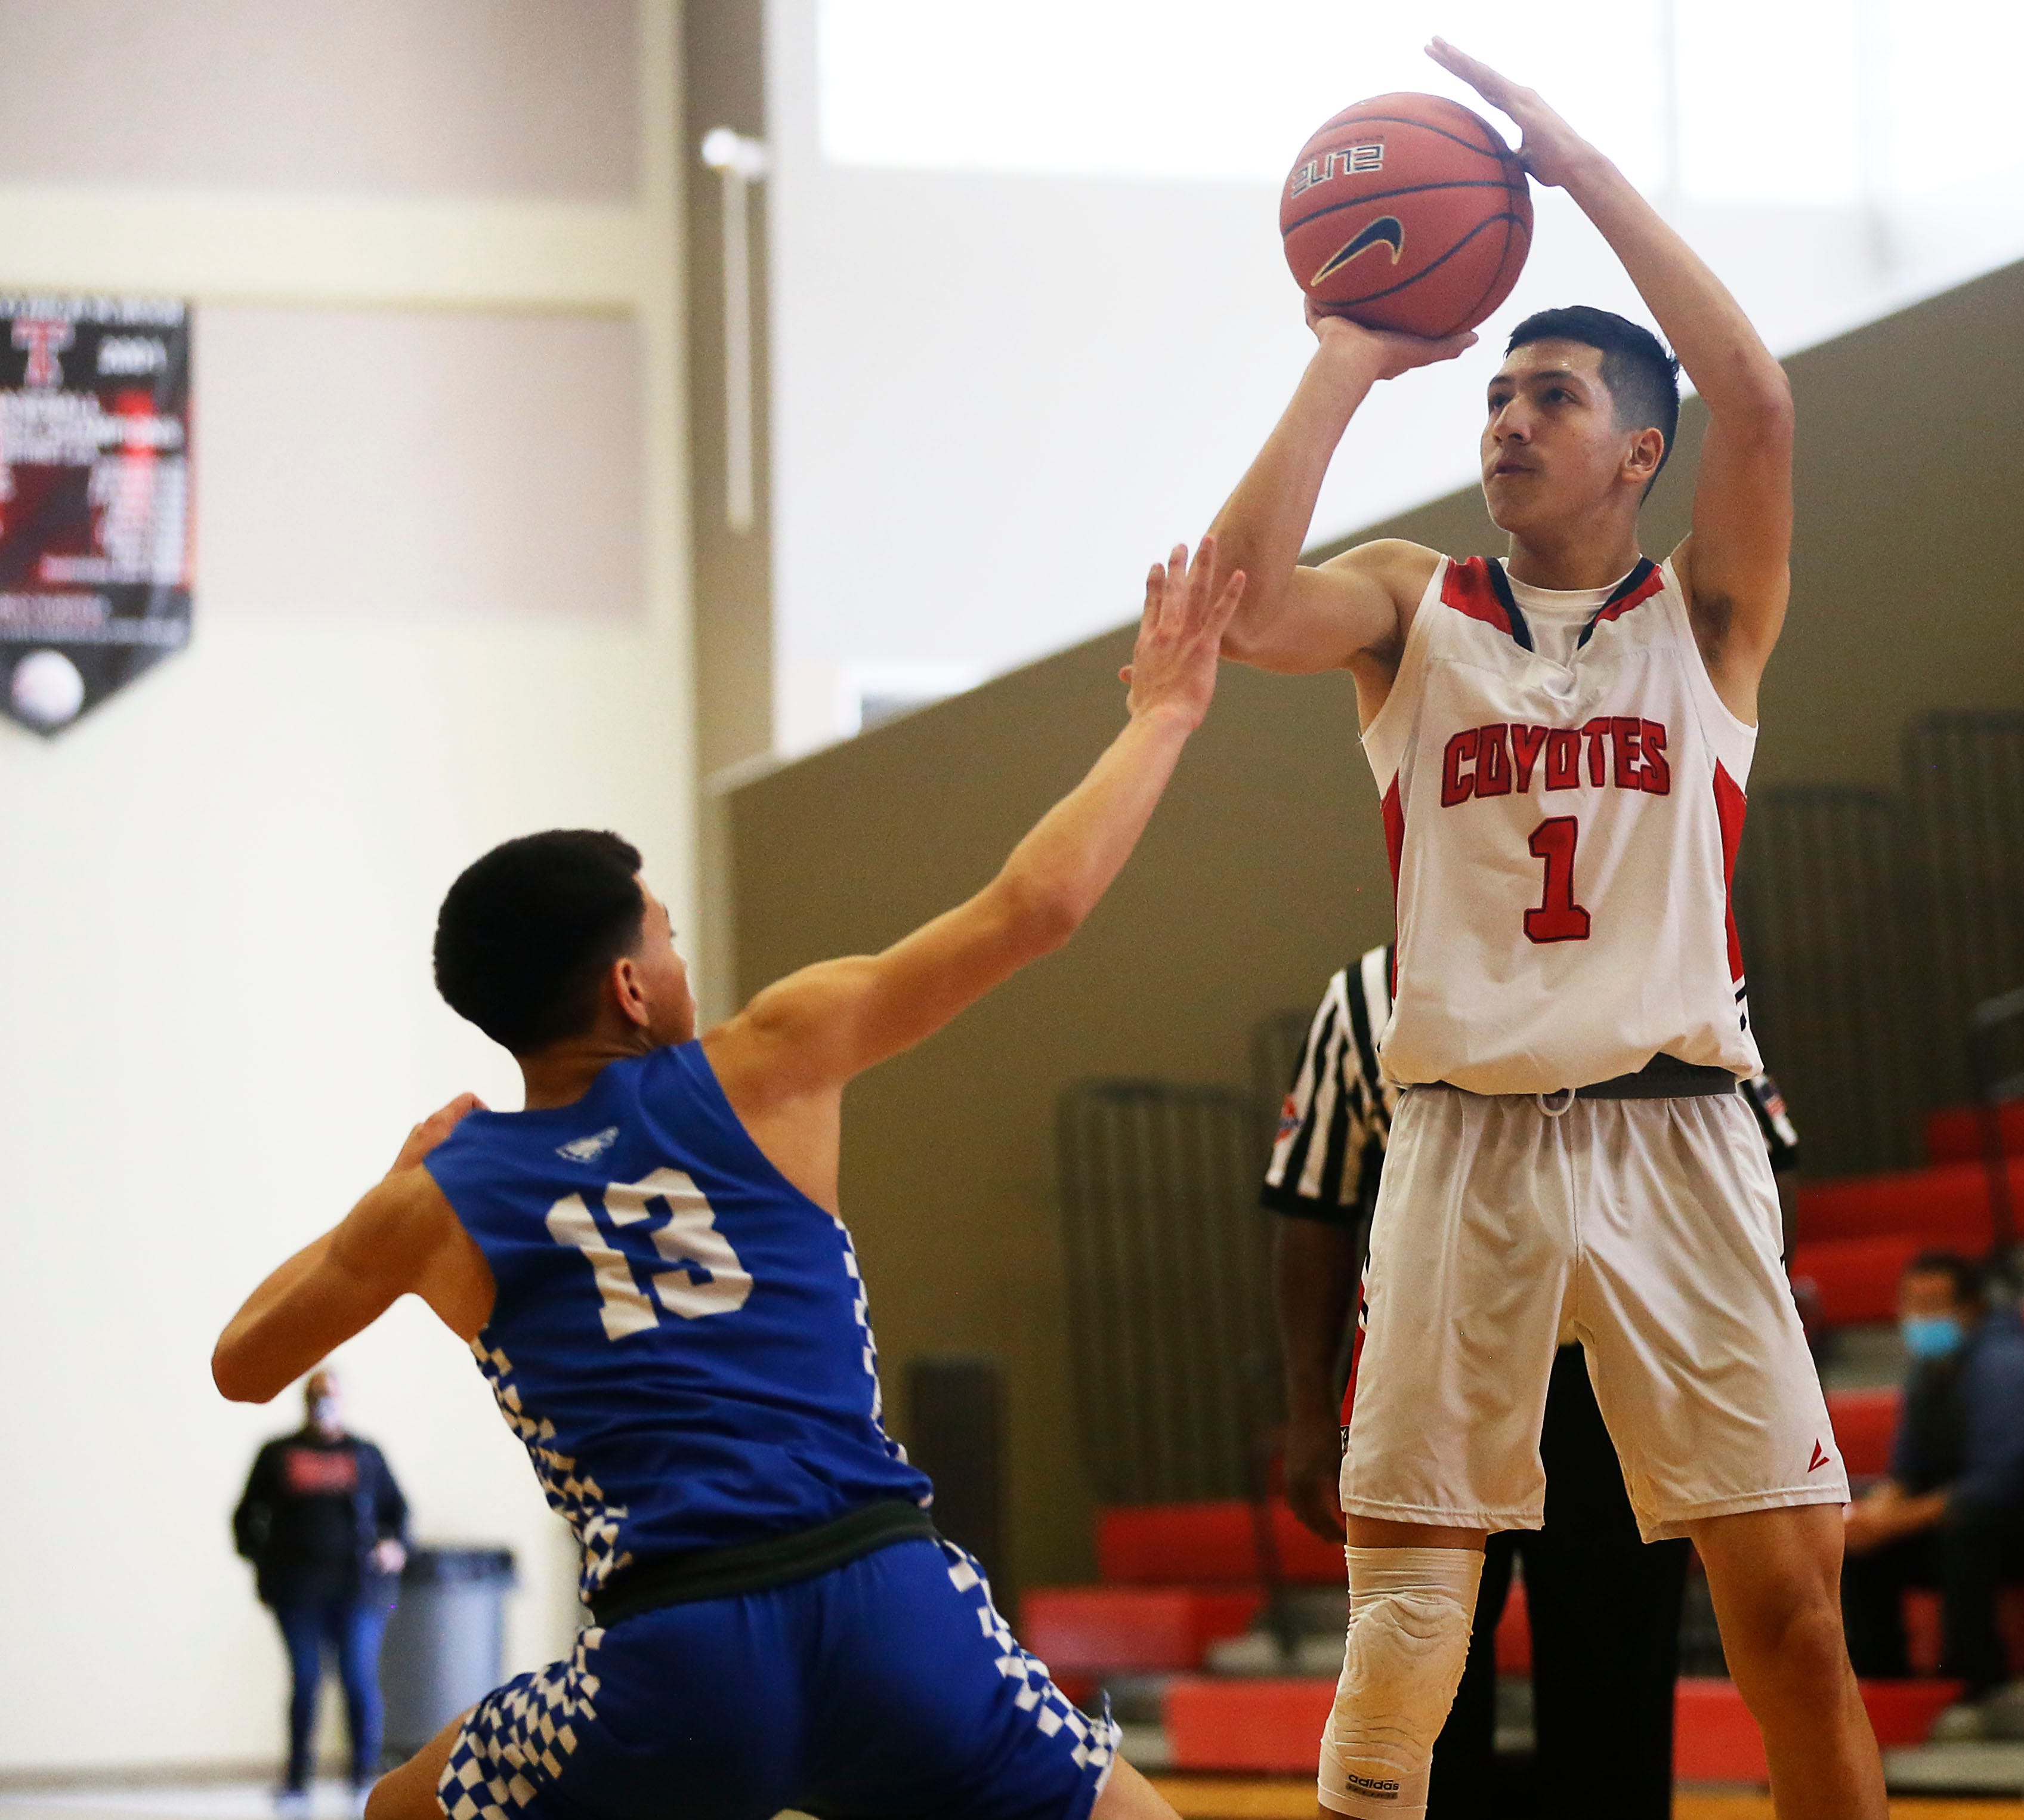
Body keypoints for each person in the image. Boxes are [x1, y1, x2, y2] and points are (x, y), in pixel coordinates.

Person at [211, 542, 1244, 1820]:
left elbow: (246, 1360)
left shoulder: (434, 1201)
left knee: (396, 1807)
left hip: (675, 1657)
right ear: (629, 987)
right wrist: (1164, 711)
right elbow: (1033, 905)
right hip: (888, 1602)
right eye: (664, 931)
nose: (678, 952)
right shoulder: (773, 1056)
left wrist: (394, 1179)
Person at [1210, 40, 1885, 1820]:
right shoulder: (1409, 611)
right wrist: (1348, 356)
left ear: (1636, 455)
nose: (1504, 417)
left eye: (1550, 396)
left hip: (1677, 1137)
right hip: (1460, 1150)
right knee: (1402, 1651)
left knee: (1793, 1630)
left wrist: (1577, 170)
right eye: (1492, 393)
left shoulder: (1708, 621)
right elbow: (1239, 600)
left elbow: (1763, 399)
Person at [1266, 944, 1803, 1819]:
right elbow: (1312, 1206)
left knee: (1616, 1676)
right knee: (1417, 1676)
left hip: (1612, 1382)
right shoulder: (1362, 994)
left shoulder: (1660, 960)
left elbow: (1758, 1159)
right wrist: (1304, 1410)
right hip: (1437, 1370)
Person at [1840, 1251, 2024, 1706]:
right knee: (1863, 1548)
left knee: (1968, 1526)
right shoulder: (1926, 1371)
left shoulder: (2006, 1363)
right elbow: (1906, 1474)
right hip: (1979, 1517)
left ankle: (1976, 1679)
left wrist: (1893, 1522)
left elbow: (1994, 1484)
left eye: (1932, 1304)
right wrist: (1868, 1519)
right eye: (1910, 1303)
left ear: (1969, 1307)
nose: (1918, 1316)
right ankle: (1882, 1684)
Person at [233, 1368, 410, 1810]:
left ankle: (363, 1779)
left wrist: (395, 1546)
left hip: (361, 1591)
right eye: (316, 1396)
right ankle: (296, 1781)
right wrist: (264, 1557)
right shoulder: (277, 1453)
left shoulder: (366, 1454)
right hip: (296, 1593)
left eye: (331, 1396)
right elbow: (244, 1517)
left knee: (358, 1677)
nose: (323, 1405)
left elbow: (399, 1513)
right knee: (306, 1680)